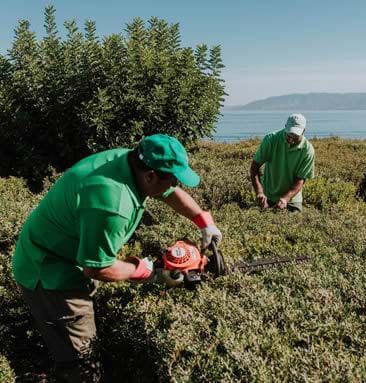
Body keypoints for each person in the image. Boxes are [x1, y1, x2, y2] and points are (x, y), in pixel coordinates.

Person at [11, 134, 222, 382]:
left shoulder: (130, 161)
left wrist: (203, 221)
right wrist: (146, 271)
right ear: (150, 177)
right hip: (47, 273)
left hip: (59, 251)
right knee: (83, 363)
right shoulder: (112, 205)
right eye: (173, 178)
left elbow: (168, 191)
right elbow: (96, 268)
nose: (176, 184)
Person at [250, 113, 315, 212]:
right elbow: (254, 167)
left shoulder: (308, 150)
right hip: (267, 195)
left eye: (295, 134)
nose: (291, 137)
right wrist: (259, 191)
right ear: (285, 127)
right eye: (289, 133)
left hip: (292, 199)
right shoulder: (271, 139)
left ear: (303, 131)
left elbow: (300, 180)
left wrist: (286, 198)